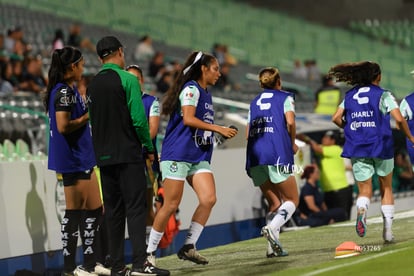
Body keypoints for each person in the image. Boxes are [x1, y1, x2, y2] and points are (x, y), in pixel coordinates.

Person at [146, 51, 238, 266]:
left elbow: (198, 126)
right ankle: (148, 254)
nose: (219, 73)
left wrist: (213, 136)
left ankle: (188, 246)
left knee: (209, 199)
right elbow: (188, 119)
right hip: (177, 154)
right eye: (215, 69)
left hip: (197, 155)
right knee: (170, 205)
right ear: (203, 69)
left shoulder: (206, 92)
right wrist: (218, 128)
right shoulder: (191, 89)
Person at [87, 36, 169, 276]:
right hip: (128, 153)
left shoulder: (92, 85)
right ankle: (140, 264)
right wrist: (148, 147)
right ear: (120, 52)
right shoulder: (127, 80)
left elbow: (93, 121)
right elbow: (138, 119)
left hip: (104, 156)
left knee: (113, 211)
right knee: (135, 209)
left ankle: (117, 267)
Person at [331, 61, 414, 243]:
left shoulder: (350, 95)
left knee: (365, 190)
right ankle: (388, 232)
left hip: (357, 147)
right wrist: (410, 137)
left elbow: (336, 118)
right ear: (378, 77)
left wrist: (350, 128)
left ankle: (362, 211)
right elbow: (399, 120)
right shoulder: (383, 94)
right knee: (386, 188)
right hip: (381, 146)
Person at [44, 46, 106, 275]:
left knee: (94, 209)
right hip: (72, 160)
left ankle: (90, 264)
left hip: (83, 158)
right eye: (80, 64)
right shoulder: (62, 92)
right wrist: (89, 115)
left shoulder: (68, 89)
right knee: (74, 212)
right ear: (71, 67)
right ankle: (69, 269)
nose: (83, 68)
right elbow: (62, 126)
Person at [245, 66, 299, 257]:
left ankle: (271, 248)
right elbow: (290, 122)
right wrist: (291, 143)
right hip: (276, 152)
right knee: (292, 199)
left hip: (254, 155)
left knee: (274, 203)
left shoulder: (254, 102)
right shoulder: (285, 97)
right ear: (279, 82)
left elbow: (247, 132)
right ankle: (272, 228)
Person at [125, 64, 160, 247]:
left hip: (146, 161)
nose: (133, 82)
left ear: (142, 81)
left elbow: (152, 131)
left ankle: (149, 250)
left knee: (146, 206)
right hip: (125, 161)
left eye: (136, 79)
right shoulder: (120, 102)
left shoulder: (151, 101)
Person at [298, 130, 353, 219]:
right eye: (324, 137)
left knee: (343, 217)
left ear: (333, 141)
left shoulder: (336, 149)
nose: (324, 139)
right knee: (333, 218)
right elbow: (314, 147)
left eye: (327, 138)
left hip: (340, 190)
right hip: (328, 191)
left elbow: (316, 148)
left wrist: (305, 137)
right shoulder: (323, 150)